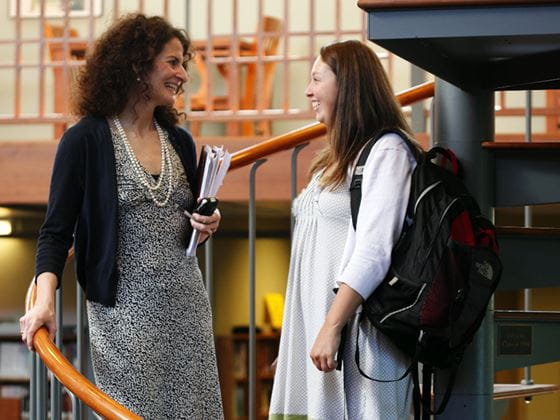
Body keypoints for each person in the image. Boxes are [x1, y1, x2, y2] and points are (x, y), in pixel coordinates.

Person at [19, 14, 224, 419]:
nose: (183, 74)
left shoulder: (180, 140)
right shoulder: (84, 139)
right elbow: (56, 233)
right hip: (123, 312)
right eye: (172, 62)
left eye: (183, 62)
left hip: (187, 304)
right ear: (136, 65)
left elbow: (188, 219)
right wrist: (44, 301)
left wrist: (207, 225)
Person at [269, 40, 421, 419]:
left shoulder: (387, 152)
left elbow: (374, 251)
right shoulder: (331, 161)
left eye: (317, 79)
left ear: (348, 85)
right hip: (326, 335)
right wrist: (298, 339)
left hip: (359, 337)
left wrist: (331, 326)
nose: (308, 91)